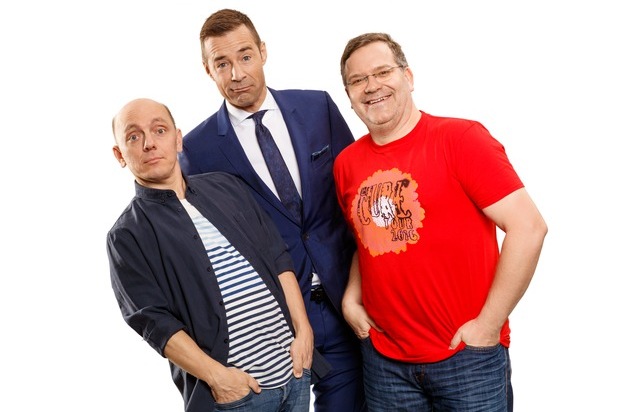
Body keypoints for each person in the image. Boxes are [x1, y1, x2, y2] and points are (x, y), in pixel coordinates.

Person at [334, 32, 548, 412]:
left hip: (466, 356)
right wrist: (352, 297)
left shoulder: (461, 138)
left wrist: (488, 325)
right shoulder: (346, 164)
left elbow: (528, 228)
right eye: (358, 80)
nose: (371, 86)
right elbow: (365, 240)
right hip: (385, 361)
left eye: (382, 72)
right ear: (349, 96)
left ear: (408, 77)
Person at [179, 9, 366, 412]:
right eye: (222, 63)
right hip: (271, 325)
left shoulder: (317, 108)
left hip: (344, 305)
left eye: (245, 56)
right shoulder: (197, 149)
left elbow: (359, 197)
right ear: (207, 70)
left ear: (263, 52)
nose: (236, 74)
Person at [107, 97, 330, 412]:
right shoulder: (127, 235)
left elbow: (278, 257)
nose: (149, 143)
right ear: (120, 154)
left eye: (159, 130)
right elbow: (155, 323)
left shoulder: (227, 186)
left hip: (293, 372)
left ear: (178, 139)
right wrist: (220, 379)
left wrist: (303, 331)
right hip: (234, 397)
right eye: (133, 136)